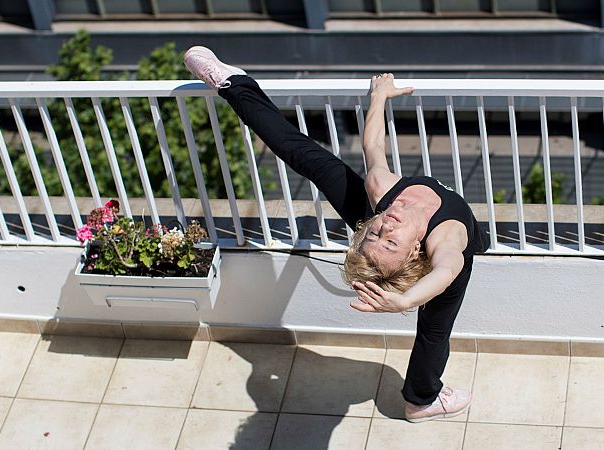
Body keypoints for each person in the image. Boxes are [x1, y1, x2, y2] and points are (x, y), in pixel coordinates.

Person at [184, 46, 490, 423]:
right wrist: (406, 302)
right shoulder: (448, 239)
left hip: (387, 229)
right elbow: (445, 271)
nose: (385, 225)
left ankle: (233, 84)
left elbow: (373, 146)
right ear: (414, 251)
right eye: (388, 238)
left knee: (305, 155)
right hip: (451, 249)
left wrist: (380, 96)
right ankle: (421, 402)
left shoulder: (381, 196)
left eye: (374, 235)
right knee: (436, 327)